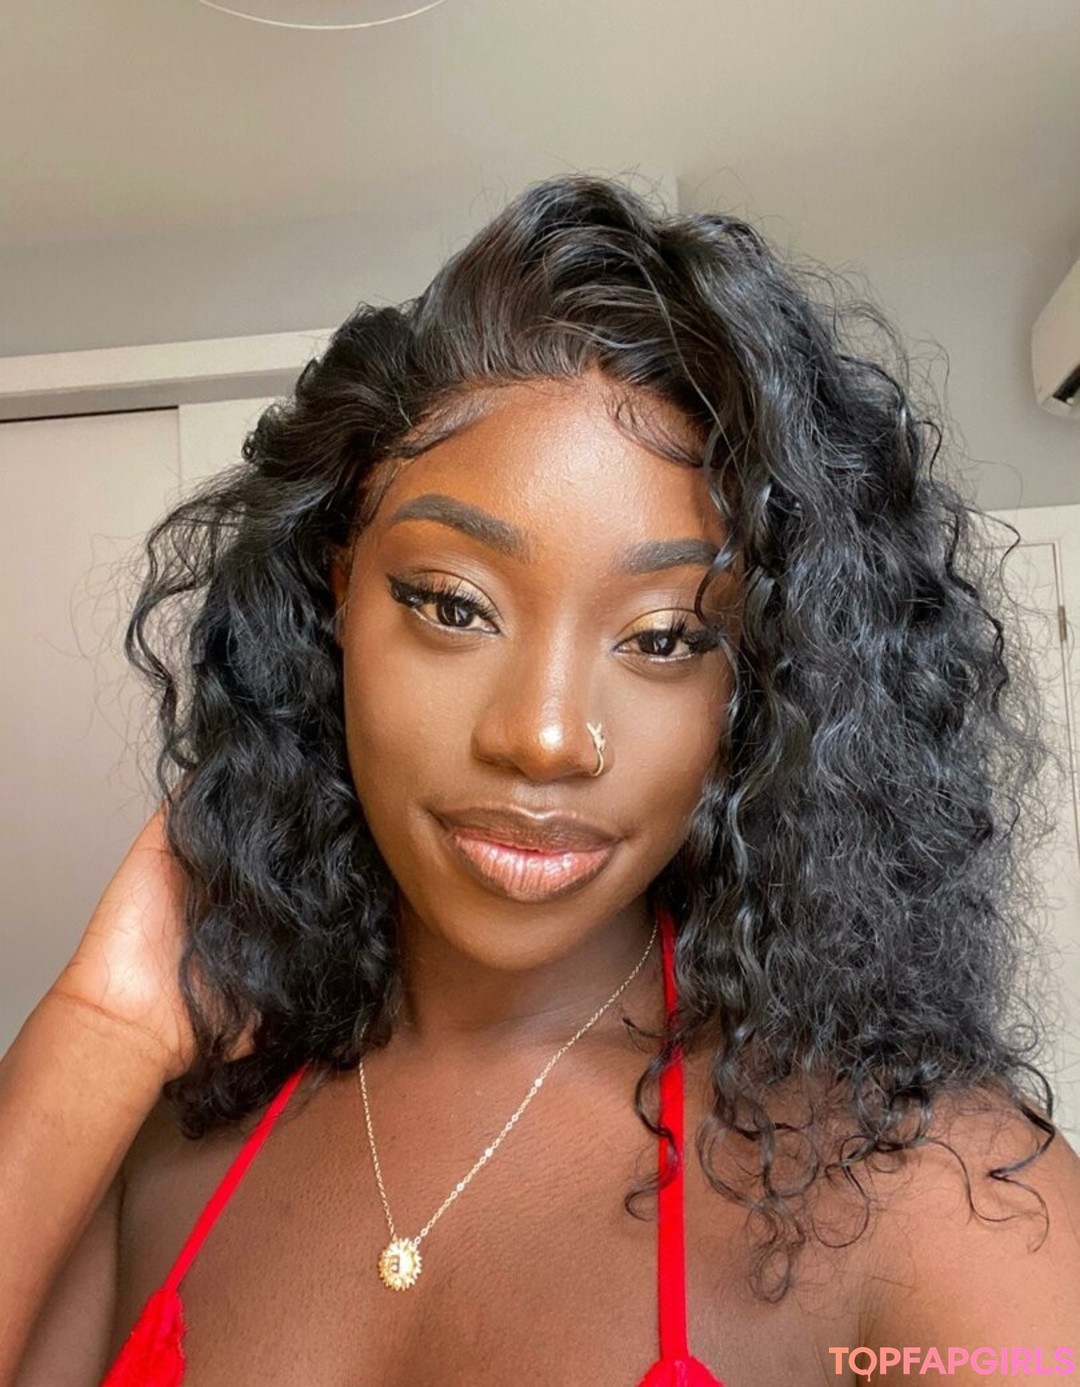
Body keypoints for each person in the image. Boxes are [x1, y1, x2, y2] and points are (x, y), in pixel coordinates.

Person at [2, 174, 1078, 1387]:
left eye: (666, 636)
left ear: (761, 686)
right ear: (338, 593)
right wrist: (99, 1029)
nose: (548, 737)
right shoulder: (160, 1141)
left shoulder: (939, 1203)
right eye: (453, 605)